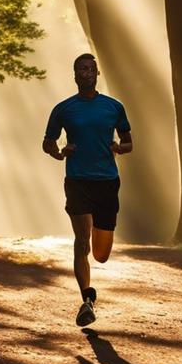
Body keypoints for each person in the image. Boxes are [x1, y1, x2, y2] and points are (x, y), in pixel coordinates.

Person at [43, 53, 133, 326]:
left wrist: (119, 147)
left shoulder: (113, 107)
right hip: (78, 180)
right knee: (81, 242)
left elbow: (129, 142)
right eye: (81, 69)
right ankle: (86, 300)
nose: (86, 72)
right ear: (75, 75)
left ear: (97, 74)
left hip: (107, 181)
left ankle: (98, 243)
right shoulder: (63, 109)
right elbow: (48, 142)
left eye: (90, 68)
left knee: (101, 255)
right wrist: (60, 153)